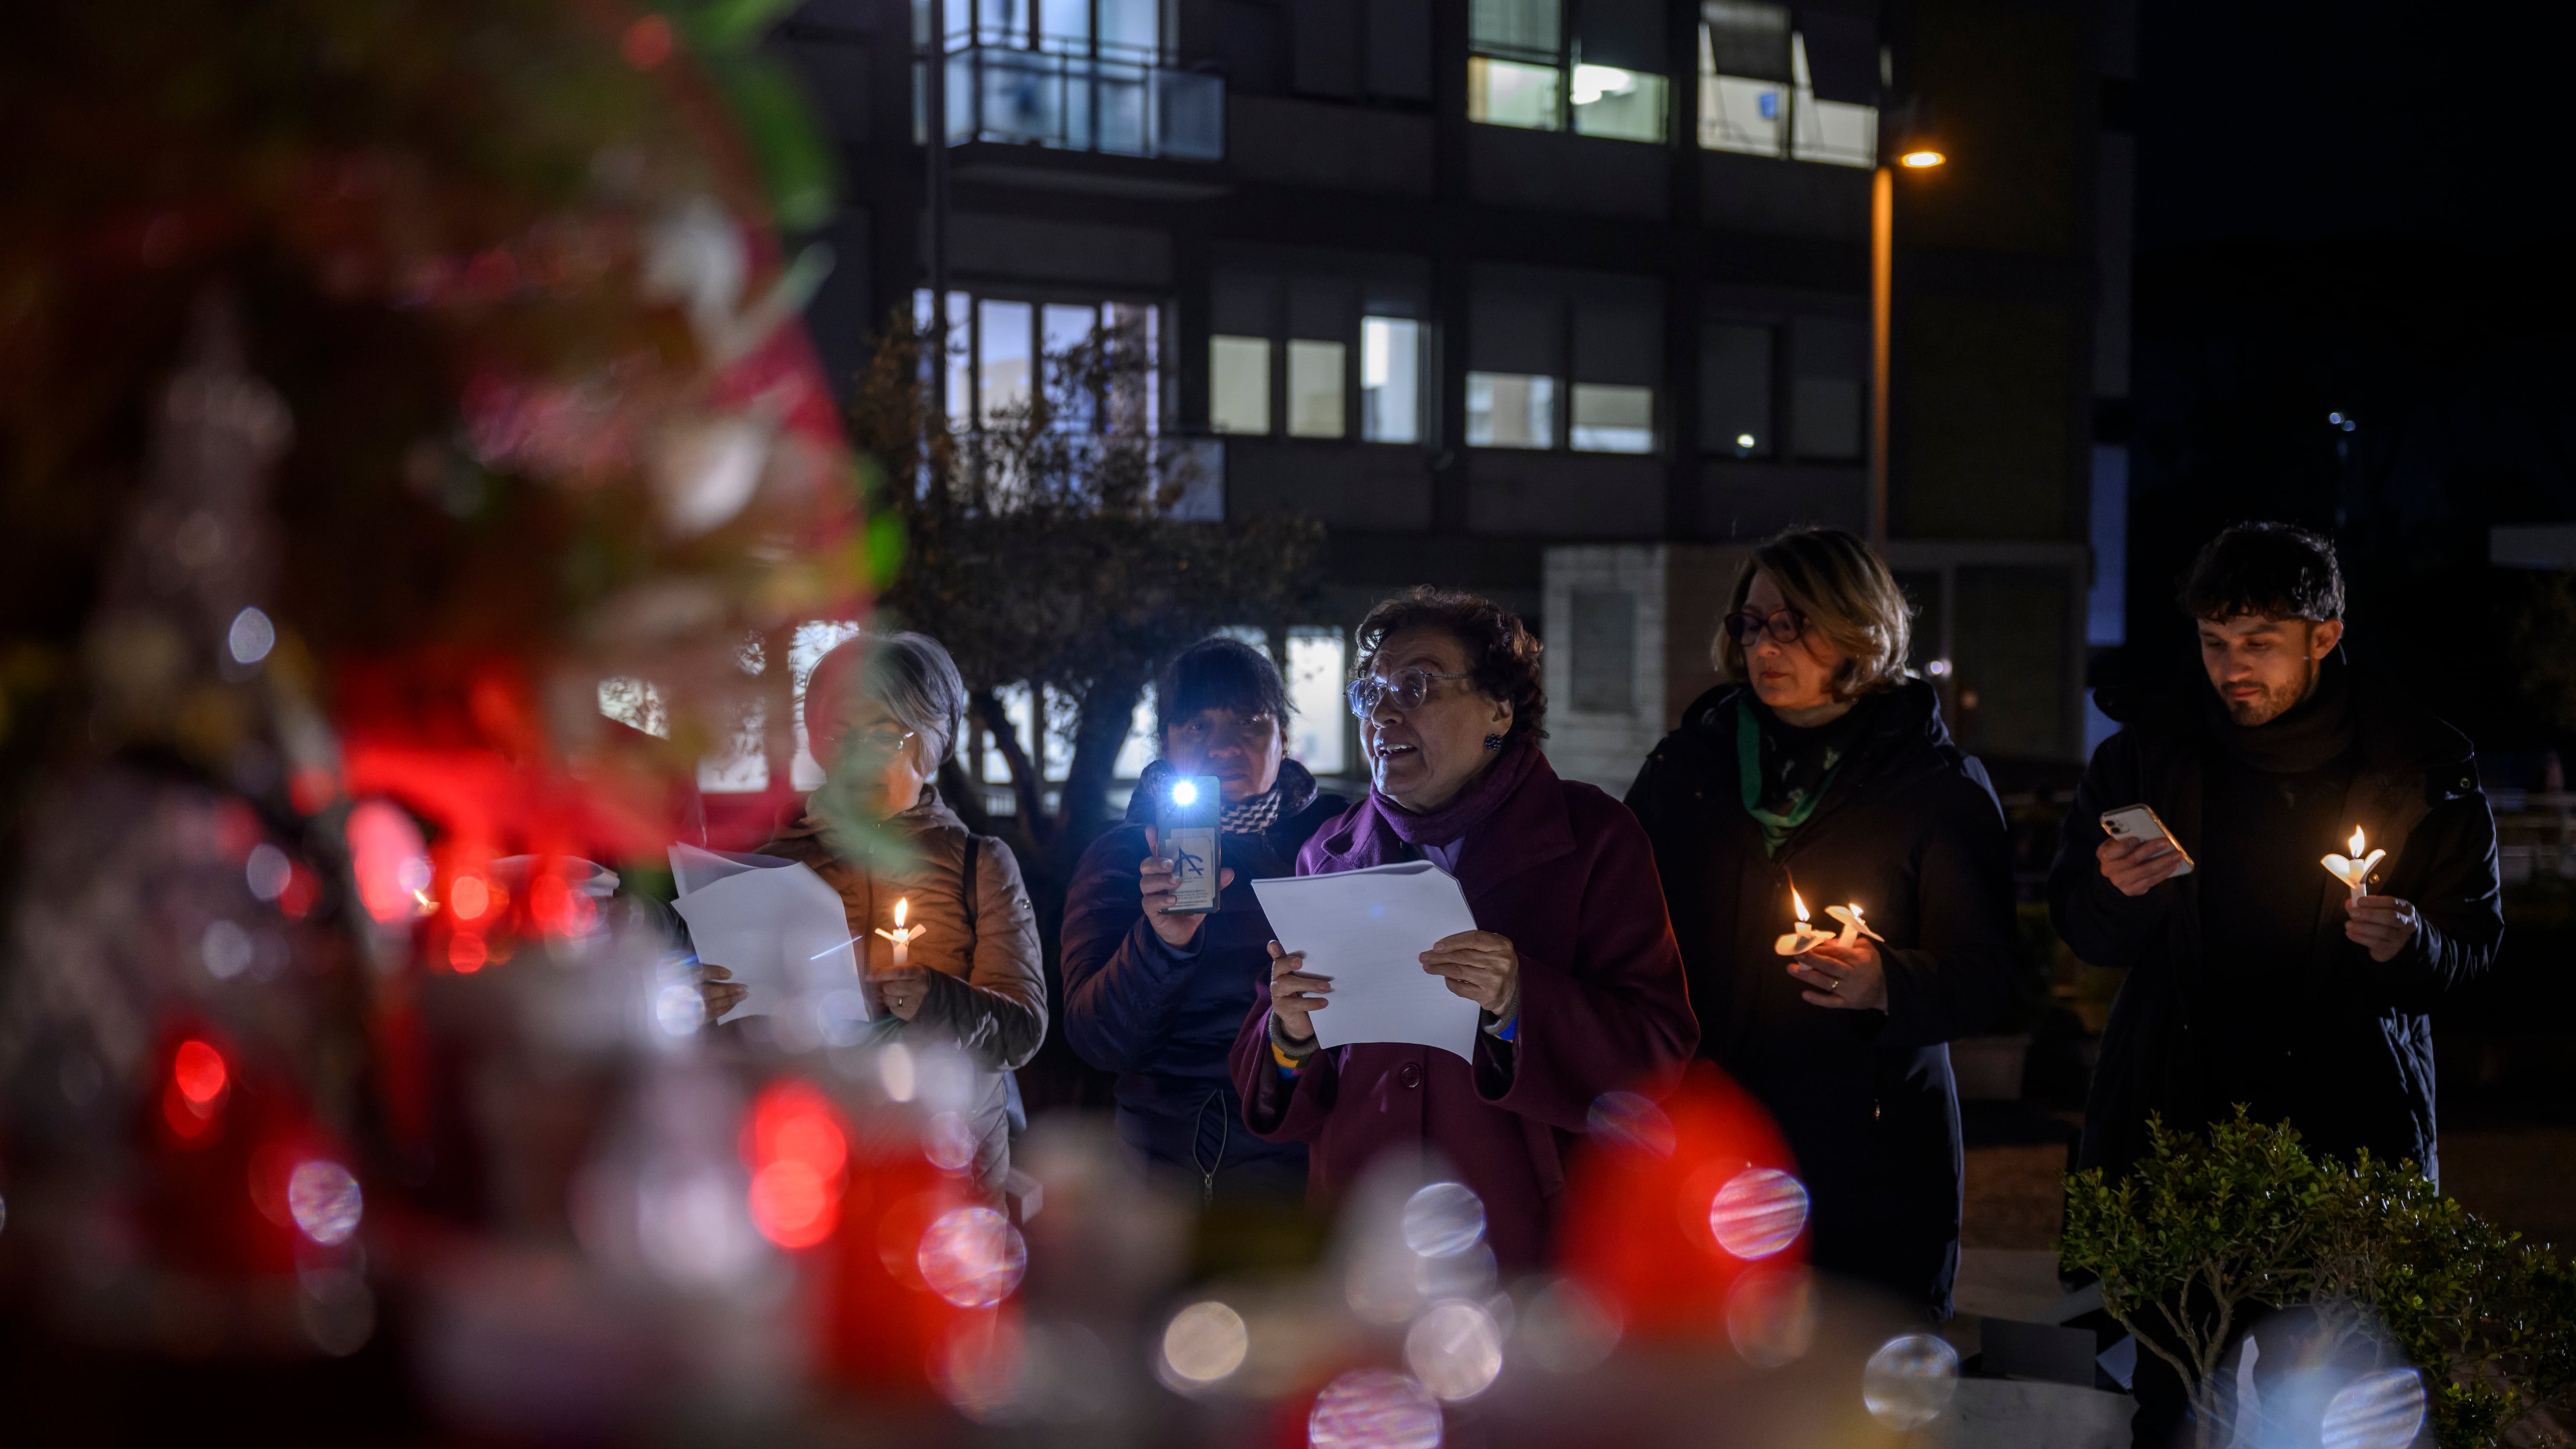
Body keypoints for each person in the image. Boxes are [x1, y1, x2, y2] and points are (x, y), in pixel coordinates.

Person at [2046, 522, 2501, 1446]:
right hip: (2176, 1121)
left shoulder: (2421, 769)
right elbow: (2082, 924)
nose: (2231, 667)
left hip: (2347, 1123)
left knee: (2335, 1398)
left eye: (2259, 642)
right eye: (2214, 643)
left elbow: (2476, 947)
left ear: (2324, 635)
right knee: (2172, 1392)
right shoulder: (2144, 757)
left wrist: (2412, 940)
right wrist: (2114, 893)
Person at [1228, 589, 1698, 1268]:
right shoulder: (1325, 853)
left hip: (1528, 1239)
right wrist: (1289, 1032)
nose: (1383, 714)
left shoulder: (1594, 839)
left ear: (1500, 710)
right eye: (1370, 691)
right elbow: (1277, 1075)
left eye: (1415, 686)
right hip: (1370, 1238)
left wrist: (1518, 1005)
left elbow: (1657, 1057)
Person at [1624, 527, 2018, 1318]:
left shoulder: (1934, 787)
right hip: (1714, 1131)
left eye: (1792, 623)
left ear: (1859, 632)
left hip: (1869, 1155)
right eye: (1752, 622)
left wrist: (1887, 982)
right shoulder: (1690, 766)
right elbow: (1621, 923)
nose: (1766, 643)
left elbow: (1992, 980)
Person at [701, 632, 1047, 1205]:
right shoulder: (766, 866)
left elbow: (1021, 1029)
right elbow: (732, 1052)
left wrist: (934, 998)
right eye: (839, 732)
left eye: (884, 732)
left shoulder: (978, 864)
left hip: (947, 1178)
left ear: (933, 741)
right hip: (808, 1181)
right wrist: (703, 1008)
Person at [1061, 638, 1347, 1203]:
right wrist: (1160, 945)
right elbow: (1096, 1040)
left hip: (1330, 1152)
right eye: (1196, 727)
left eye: (1250, 721)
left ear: (1283, 738)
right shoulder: (1123, 856)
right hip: (1188, 1162)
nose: (1224, 746)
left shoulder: (1342, 837)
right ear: (1165, 742)